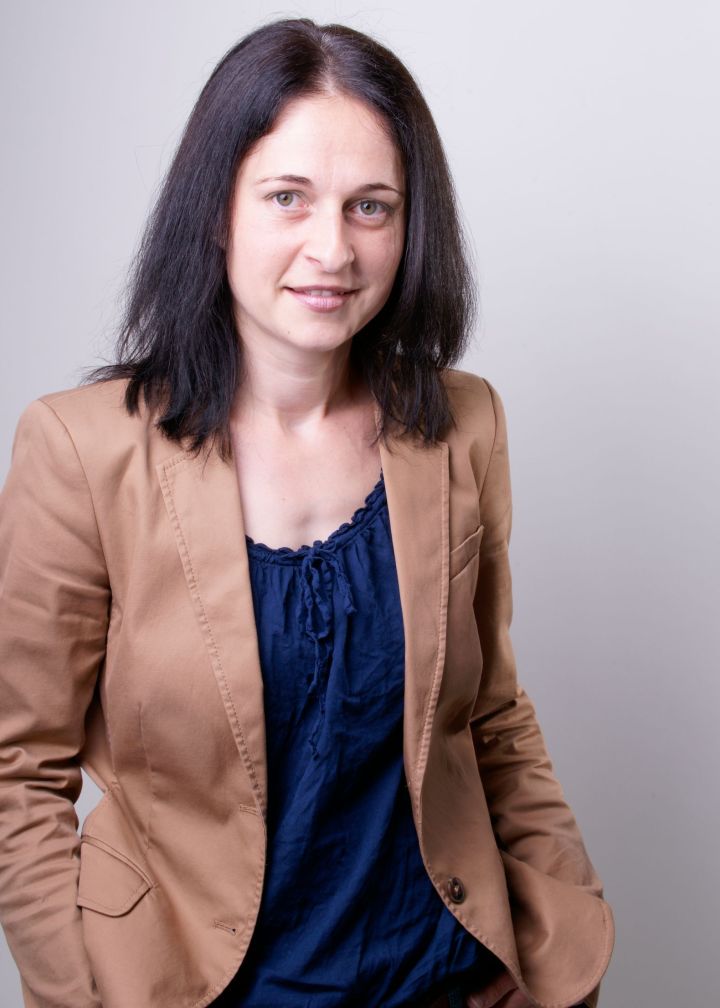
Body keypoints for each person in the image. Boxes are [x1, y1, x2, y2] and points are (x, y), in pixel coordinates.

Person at [0, 17, 614, 1008]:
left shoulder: (464, 425)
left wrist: (559, 938)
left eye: (371, 207)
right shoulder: (80, 450)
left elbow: (493, 717)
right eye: (287, 197)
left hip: (437, 976)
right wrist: (78, 995)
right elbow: (17, 769)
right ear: (217, 211)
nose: (332, 248)